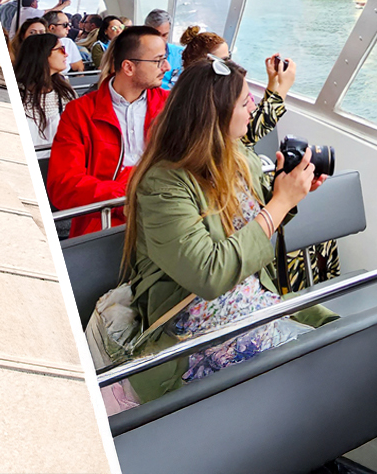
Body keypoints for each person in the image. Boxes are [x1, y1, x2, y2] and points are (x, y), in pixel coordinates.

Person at [111, 56, 335, 408]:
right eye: (245, 102)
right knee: (312, 384)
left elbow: (258, 225)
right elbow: (210, 275)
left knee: (337, 351)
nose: (252, 109)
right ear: (214, 114)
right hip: (196, 330)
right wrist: (279, 204)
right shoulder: (163, 185)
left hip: (254, 301)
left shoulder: (237, 156)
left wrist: (286, 195)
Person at [45, 25, 170, 236]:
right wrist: (129, 195)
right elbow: (63, 184)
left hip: (163, 216)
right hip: (102, 219)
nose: (166, 66)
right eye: (158, 60)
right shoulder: (80, 112)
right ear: (129, 67)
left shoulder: (171, 106)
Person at [13, 32, 75, 151]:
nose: (66, 54)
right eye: (61, 49)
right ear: (44, 54)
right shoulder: (18, 91)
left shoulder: (65, 92)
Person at [144, 9, 185, 89]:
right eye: (156, 35)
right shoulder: (139, 55)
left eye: (164, 35)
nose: (161, 40)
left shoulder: (181, 54)